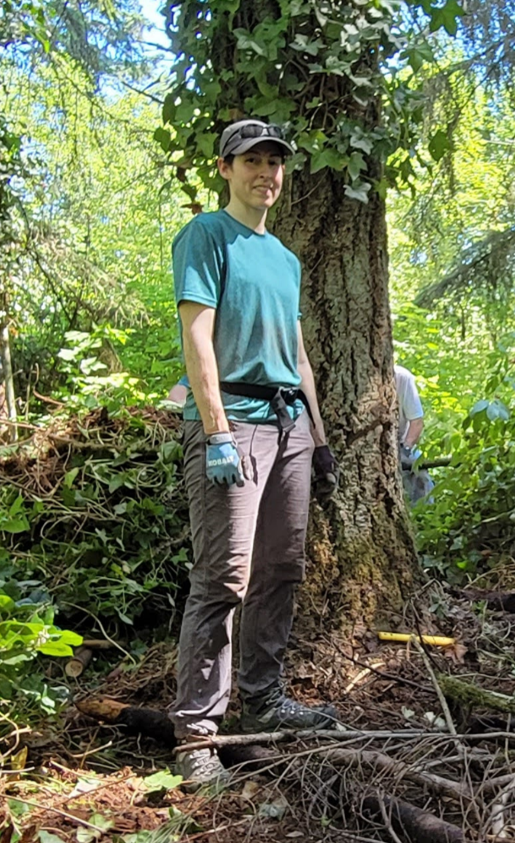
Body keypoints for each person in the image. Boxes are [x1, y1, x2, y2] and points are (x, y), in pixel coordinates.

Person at [169, 119, 342, 784]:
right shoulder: (207, 236)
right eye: (252, 162)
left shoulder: (286, 259)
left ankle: (263, 698)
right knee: (223, 578)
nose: (266, 173)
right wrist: (214, 430)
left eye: (275, 163)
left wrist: (318, 438)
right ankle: (196, 738)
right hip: (232, 423)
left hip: (288, 425)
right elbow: (198, 336)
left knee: (283, 568)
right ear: (225, 168)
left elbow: (295, 353)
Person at [394, 364, 433, 504]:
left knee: (421, 478)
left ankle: (427, 514)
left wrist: (406, 449)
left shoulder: (401, 377)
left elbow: (416, 422)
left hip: (402, 445)